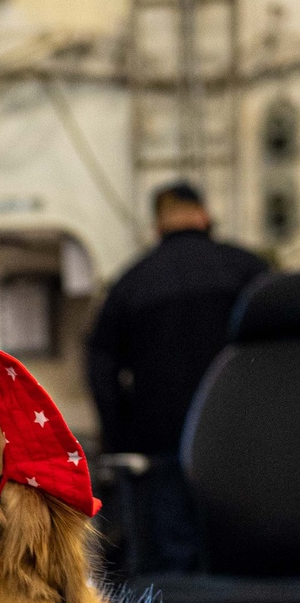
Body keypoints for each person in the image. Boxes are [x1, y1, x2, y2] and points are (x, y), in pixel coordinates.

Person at [87, 180, 267, 574]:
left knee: (175, 568)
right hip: (249, 449)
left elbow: (100, 367)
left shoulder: (132, 283)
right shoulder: (250, 271)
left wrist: (121, 436)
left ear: (157, 226)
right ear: (204, 214)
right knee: (244, 561)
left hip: (163, 451)